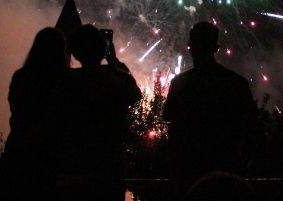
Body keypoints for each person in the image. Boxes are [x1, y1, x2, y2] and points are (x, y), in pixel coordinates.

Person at [163, 20, 256, 189]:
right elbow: (251, 127)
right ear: (216, 48)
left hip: (189, 168)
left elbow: (168, 117)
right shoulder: (236, 83)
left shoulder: (180, 83)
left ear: (190, 46)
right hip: (226, 165)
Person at [56, 25, 140, 201]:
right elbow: (135, 94)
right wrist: (113, 60)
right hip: (109, 164)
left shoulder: (67, 81)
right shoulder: (115, 78)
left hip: (74, 164)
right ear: (103, 49)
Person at [4, 27, 69, 199]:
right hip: (52, 156)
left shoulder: (20, 78)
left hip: (20, 152)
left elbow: (16, 111)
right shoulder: (65, 81)